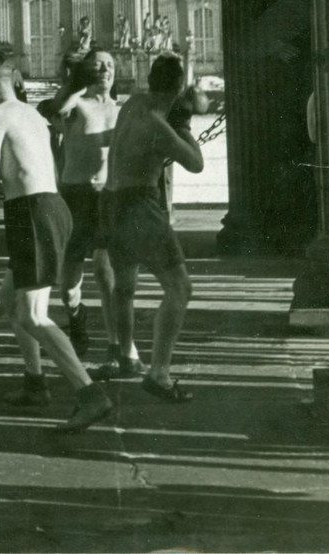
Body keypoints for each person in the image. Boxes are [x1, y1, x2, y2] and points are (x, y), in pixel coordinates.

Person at [0, 46, 113, 431]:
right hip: (53, 206)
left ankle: (90, 394)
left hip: (31, 214)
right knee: (9, 298)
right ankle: (35, 383)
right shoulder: (34, 114)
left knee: (33, 315)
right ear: (17, 78)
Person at [90, 53, 203, 402]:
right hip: (140, 205)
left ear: (150, 80)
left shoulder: (133, 103)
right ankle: (159, 373)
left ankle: (127, 356)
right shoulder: (160, 125)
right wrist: (183, 124)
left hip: (110, 203)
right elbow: (196, 164)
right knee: (180, 289)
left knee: (125, 286)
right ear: (178, 86)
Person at [39, 51, 122, 365]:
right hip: (75, 195)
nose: (105, 70)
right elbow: (57, 108)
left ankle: (115, 343)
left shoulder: (121, 109)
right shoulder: (76, 106)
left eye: (110, 65)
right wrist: (78, 83)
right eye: (98, 64)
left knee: (104, 270)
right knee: (70, 276)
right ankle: (75, 315)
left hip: (107, 195)